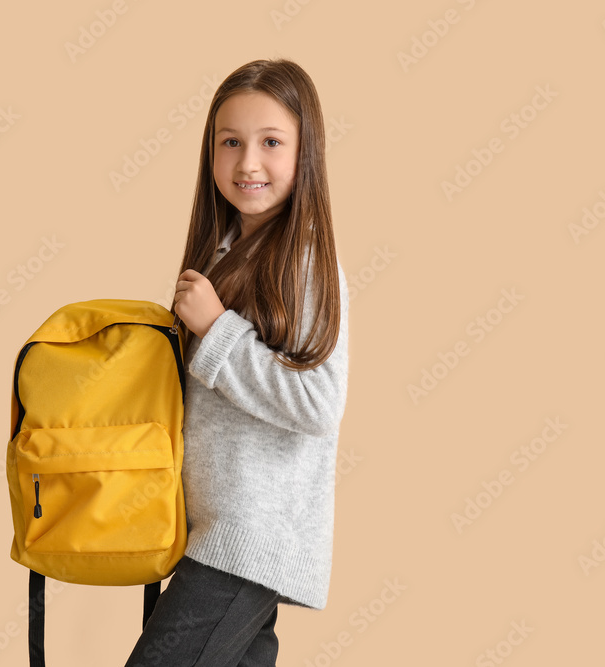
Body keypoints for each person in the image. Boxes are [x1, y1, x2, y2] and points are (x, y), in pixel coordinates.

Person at [124, 57, 350, 667]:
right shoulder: (228, 251)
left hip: (247, 539)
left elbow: (318, 402)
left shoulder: (302, 262)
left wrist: (218, 329)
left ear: (306, 151)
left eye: (271, 142)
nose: (248, 162)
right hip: (218, 530)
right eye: (231, 142)